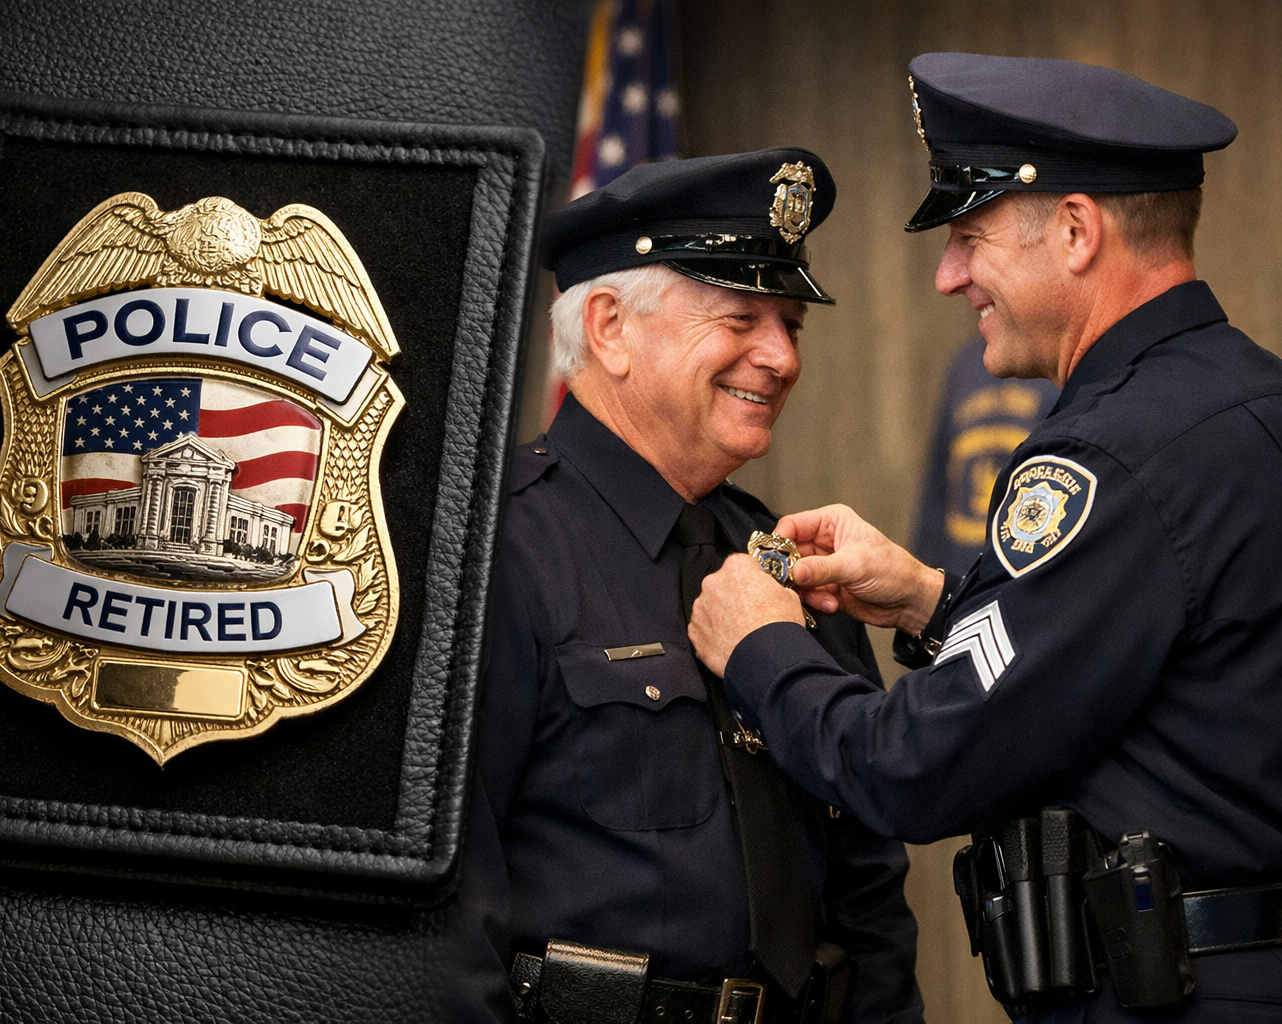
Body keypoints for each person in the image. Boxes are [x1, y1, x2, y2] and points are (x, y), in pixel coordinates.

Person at [688, 54, 1282, 1022]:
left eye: (970, 237)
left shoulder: (1111, 458)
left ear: (1078, 231)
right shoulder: (1245, 399)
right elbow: (1135, 665)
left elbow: (914, 769)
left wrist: (763, 649)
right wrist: (931, 600)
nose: (947, 275)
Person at [472, 147, 924, 1024]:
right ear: (610, 327)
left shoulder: (788, 557)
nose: (781, 357)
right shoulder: (503, 550)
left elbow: (867, 891)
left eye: (791, 324)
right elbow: (448, 903)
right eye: (741, 317)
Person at [910, 333, 1056, 579]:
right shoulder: (965, 363)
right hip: (958, 577)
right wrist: (921, 570)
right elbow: (937, 490)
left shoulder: (1059, 368)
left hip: (1025, 576)